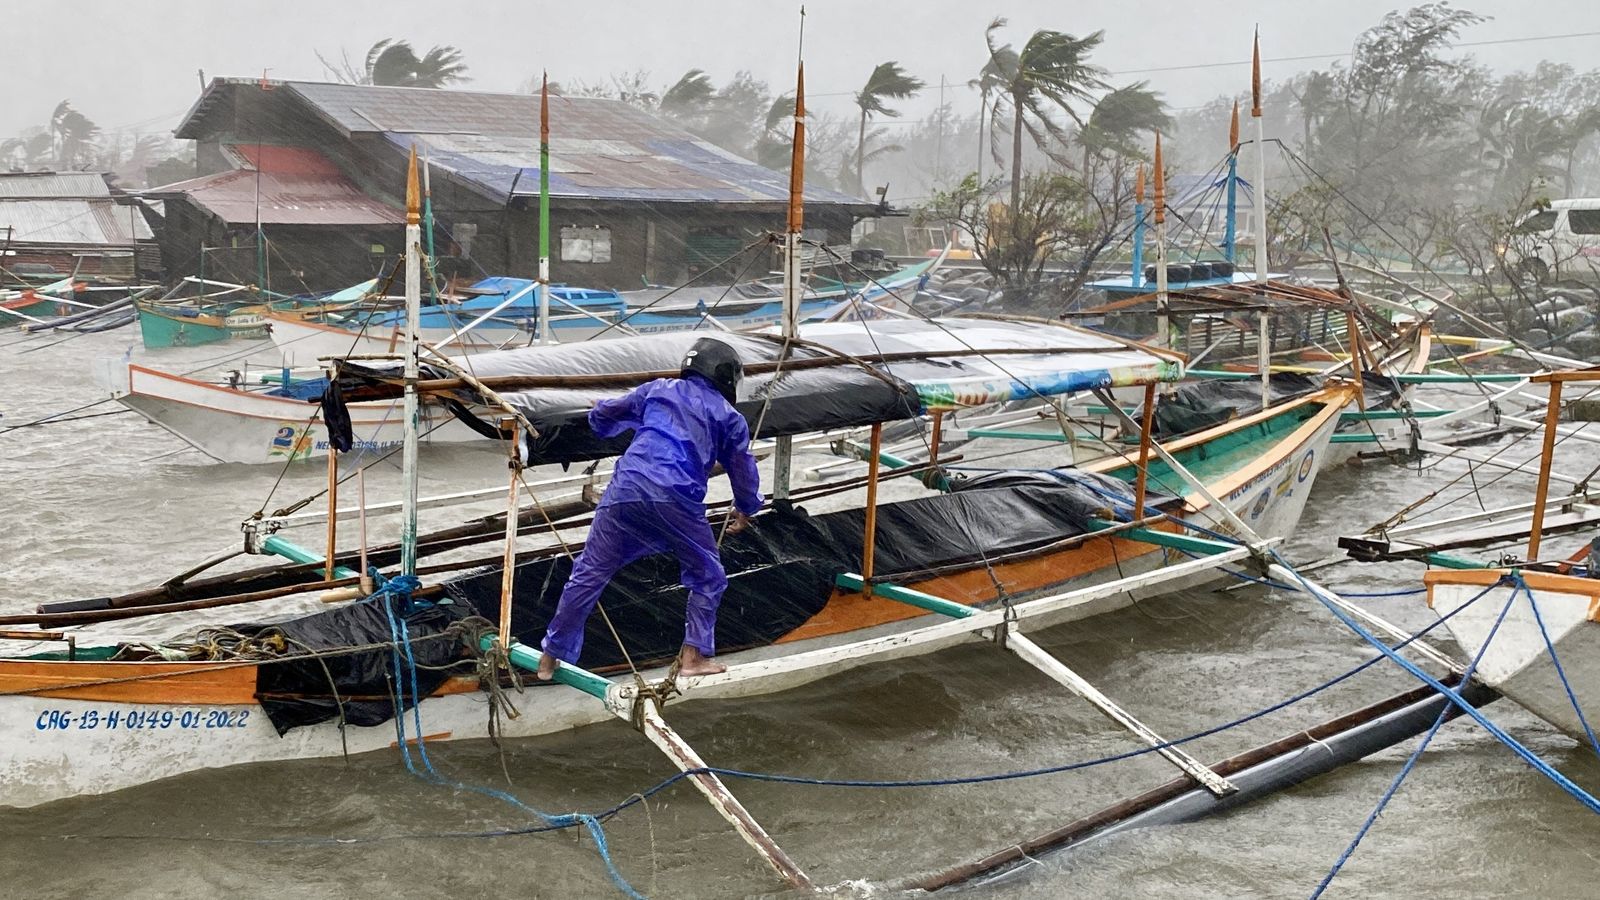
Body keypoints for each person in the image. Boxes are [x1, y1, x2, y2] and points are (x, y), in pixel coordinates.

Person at [536, 337, 762, 680]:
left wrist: (596, 412)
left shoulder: (658, 389)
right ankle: (693, 658)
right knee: (708, 576)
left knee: (589, 573)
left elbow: (606, 414)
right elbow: (742, 468)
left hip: (624, 488)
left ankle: (550, 657)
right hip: (675, 496)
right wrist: (747, 507)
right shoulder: (729, 417)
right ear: (728, 377)